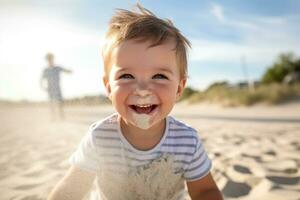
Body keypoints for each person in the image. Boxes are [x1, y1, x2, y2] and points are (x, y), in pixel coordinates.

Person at [48, 4, 223, 200]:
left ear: (179, 88)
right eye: (127, 76)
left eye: (159, 76)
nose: (142, 90)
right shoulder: (100, 137)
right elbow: (72, 188)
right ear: (108, 87)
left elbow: (205, 191)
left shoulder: (187, 141)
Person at [40, 53, 72, 120]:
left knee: (60, 102)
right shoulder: (46, 70)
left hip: (57, 88)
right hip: (50, 89)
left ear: (53, 59)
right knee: (51, 103)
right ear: (47, 60)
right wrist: (43, 87)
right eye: (49, 59)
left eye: (51, 58)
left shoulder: (57, 68)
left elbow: (66, 70)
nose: (50, 60)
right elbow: (41, 79)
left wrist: (69, 71)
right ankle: (53, 116)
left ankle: (61, 116)